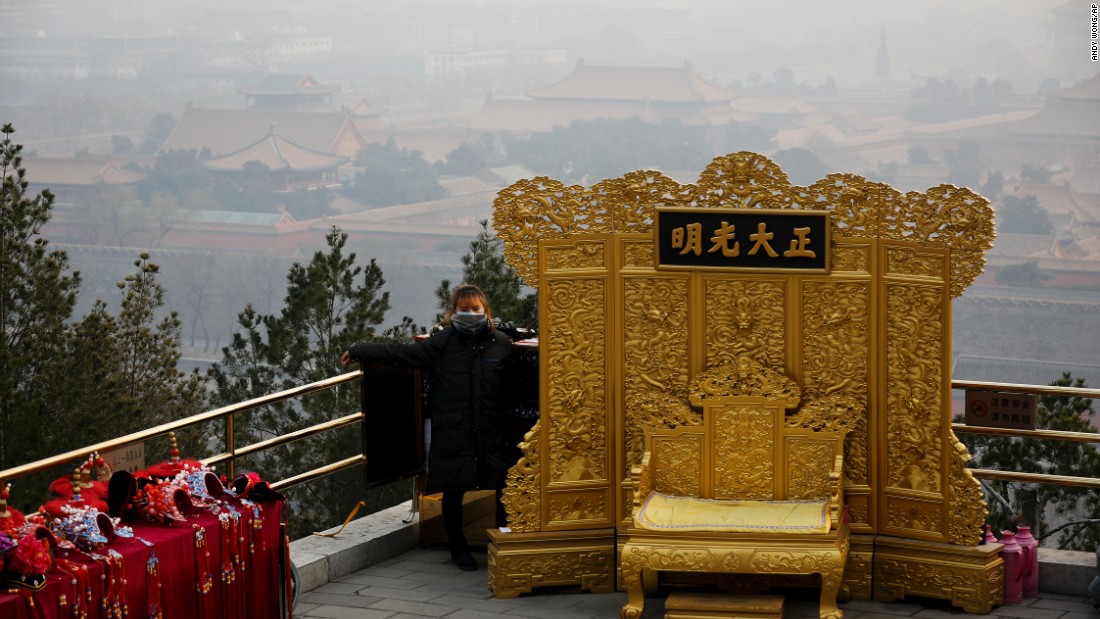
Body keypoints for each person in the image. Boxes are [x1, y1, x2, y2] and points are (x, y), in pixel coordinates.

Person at [340, 284, 516, 571]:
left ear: (485, 310)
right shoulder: (442, 343)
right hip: (453, 428)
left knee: (503, 486)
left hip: (491, 430)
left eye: (475, 309)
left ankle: (503, 545)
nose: (470, 314)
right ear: (453, 311)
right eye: (464, 309)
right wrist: (361, 350)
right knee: (454, 487)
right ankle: (458, 549)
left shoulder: (500, 342)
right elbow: (401, 354)